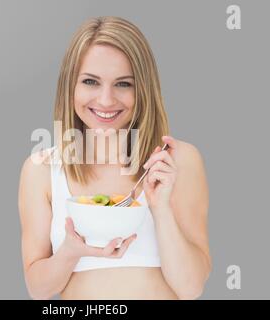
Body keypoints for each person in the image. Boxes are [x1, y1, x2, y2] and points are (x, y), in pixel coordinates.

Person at [18, 16, 211, 300]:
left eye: (123, 84)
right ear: (70, 86)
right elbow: (38, 290)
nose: (106, 100)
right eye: (90, 82)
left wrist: (161, 209)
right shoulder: (41, 170)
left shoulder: (178, 162)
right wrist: (70, 252)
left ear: (143, 89)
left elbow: (191, 288)